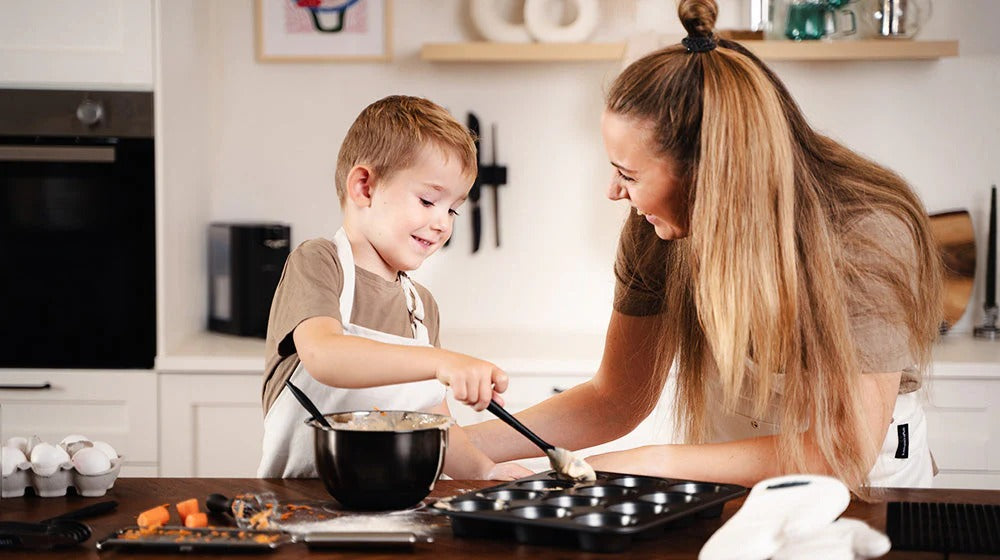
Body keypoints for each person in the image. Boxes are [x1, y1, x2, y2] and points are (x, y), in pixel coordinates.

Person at [466, 0, 942, 493]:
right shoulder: (656, 230)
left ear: (707, 172)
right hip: (727, 469)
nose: (613, 191)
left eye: (628, 174)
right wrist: (456, 444)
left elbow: (843, 450)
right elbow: (615, 398)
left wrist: (642, 463)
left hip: (868, 480)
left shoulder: (864, 233)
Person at [257, 95, 533, 481]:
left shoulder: (422, 308)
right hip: (300, 508)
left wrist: (484, 471)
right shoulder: (319, 263)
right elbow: (324, 354)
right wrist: (444, 362)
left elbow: (434, 420)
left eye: (452, 209)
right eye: (427, 200)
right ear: (364, 187)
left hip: (393, 506)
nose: (442, 224)